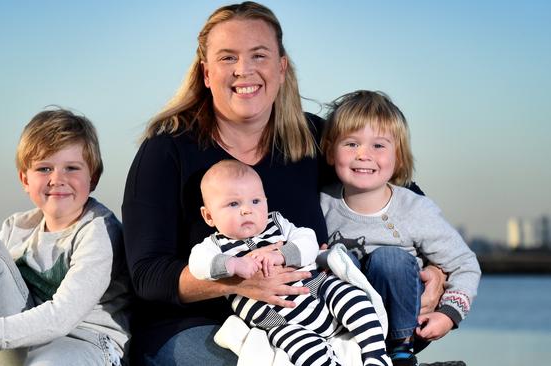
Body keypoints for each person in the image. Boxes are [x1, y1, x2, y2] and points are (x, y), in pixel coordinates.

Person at [122, 2, 444, 365]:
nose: (244, 70)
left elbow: (401, 198)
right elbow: (148, 276)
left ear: (281, 67)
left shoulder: (312, 139)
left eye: (258, 55)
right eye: (227, 58)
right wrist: (239, 281)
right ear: (206, 73)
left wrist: (436, 270)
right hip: (197, 325)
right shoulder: (166, 152)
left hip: (313, 315)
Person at [0, 109, 131, 366]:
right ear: (25, 179)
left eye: (71, 168)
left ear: (93, 178)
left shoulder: (99, 231)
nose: (57, 179)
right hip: (22, 344)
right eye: (44, 168)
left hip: (89, 346)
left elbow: (61, 317)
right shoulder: (17, 227)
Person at [319, 90, 481, 366]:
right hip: (345, 326)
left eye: (378, 146)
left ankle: (400, 355)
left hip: (402, 329)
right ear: (331, 152)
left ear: (400, 158)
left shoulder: (414, 210)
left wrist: (448, 314)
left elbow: (465, 263)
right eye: (351, 144)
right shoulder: (322, 204)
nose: (363, 155)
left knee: (389, 259)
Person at [189, 159, 391, 366]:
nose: (247, 210)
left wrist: (282, 255)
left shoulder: (277, 223)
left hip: (314, 289)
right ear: (209, 216)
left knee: (352, 296)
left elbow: (308, 240)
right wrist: (233, 265)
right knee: (300, 349)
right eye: (234, 204)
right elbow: (197, 264)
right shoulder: (214, 246)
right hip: (276, 320)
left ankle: (376, 354)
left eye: (256, 201)